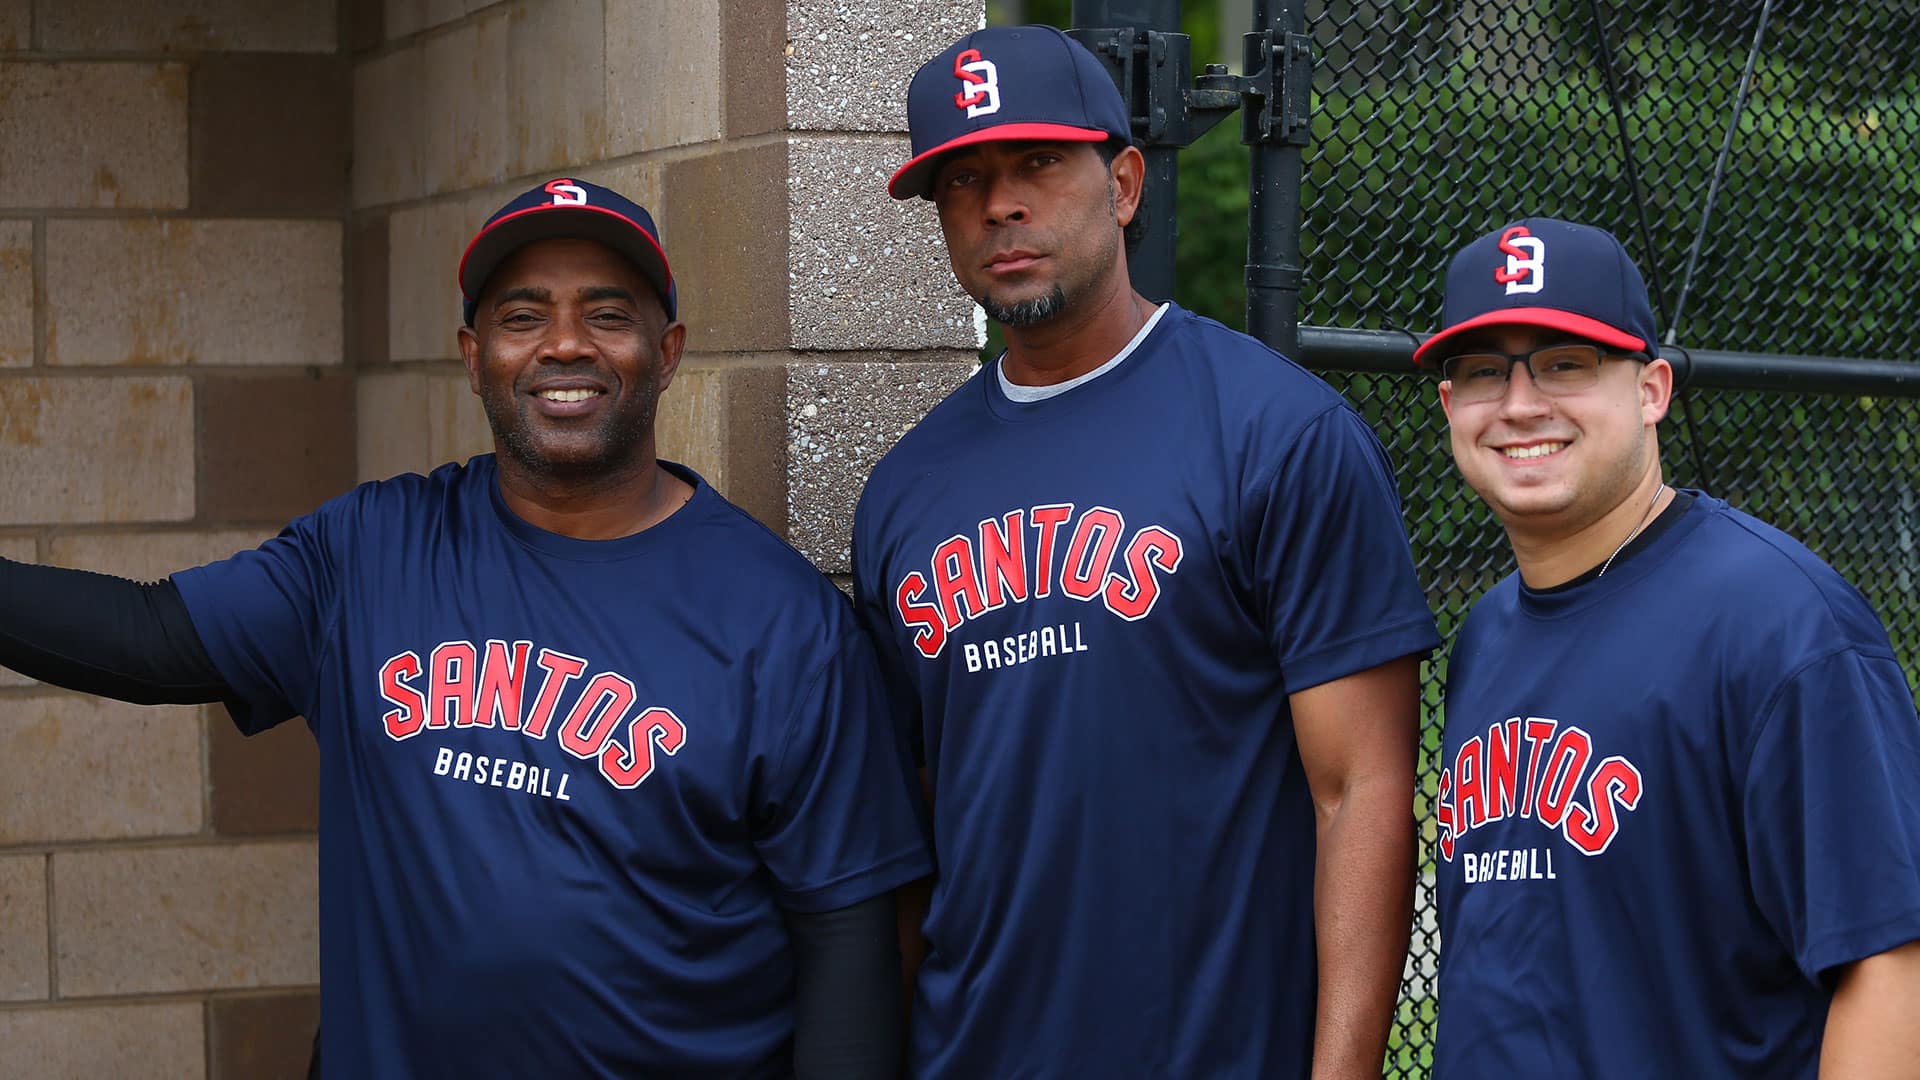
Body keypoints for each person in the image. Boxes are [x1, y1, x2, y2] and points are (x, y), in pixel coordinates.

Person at [0, 178, 930, 1079]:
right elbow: (147, 635)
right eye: (523, 317)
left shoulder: (781, 620)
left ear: (669, 348)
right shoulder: (370, 550)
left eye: (607, 314)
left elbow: (848, 932)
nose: (565, 345)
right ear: (473, 353)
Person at [853, 25, 1440, 1079]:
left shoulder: (1277, 432)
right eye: (964, 181)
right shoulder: (905, 492)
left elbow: (1360, 792)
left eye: (1037, 163)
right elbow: (915, 823)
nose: (1001, 205)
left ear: (1124, 183)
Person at [1419, 217, 1920, 1077]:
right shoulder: (1486, 633)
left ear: (1652, 389)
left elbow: (1890, 966)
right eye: (1482, 372)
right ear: (1448, 406)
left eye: (1565, 364)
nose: (1520, 404)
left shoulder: (1781, 624)